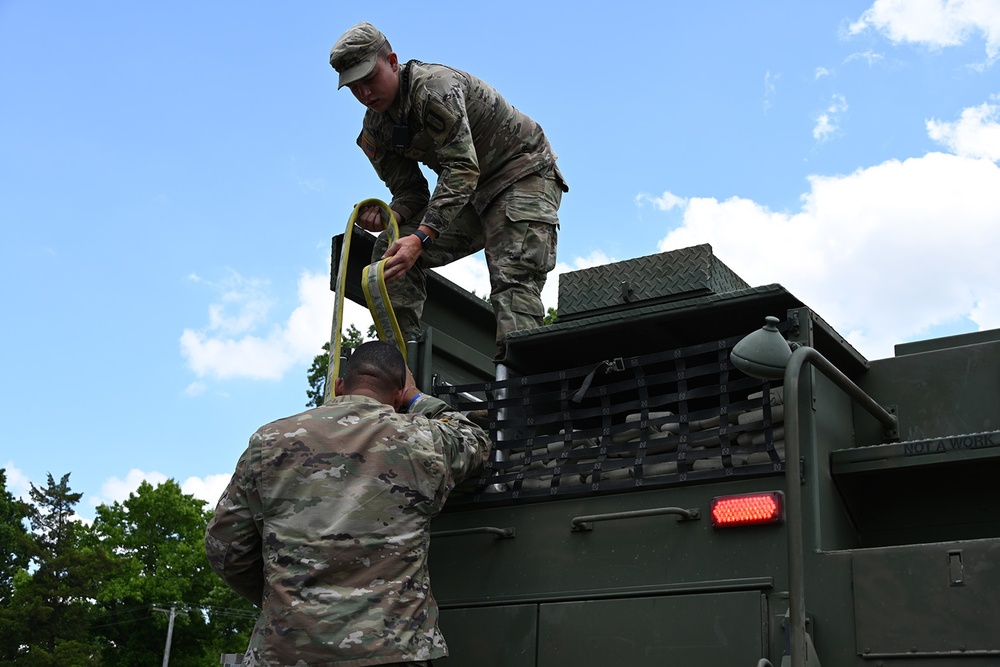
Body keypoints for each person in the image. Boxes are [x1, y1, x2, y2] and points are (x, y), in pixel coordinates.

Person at [205, 341, 492, 666]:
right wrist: (416, 398)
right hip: (390, 654)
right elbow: (475, 440)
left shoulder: (270, 440)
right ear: (397, 395)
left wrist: (285, 601)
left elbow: (224, 548)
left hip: (285, 652)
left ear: (340, 386)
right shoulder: (422, 439)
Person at [329, 22, 568, 362]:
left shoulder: (435, 88)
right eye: (354, 87)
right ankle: (402, 372)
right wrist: (390, 216)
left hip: (521, 174)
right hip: (466, 195)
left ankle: (523, 392)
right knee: (390, 256)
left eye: (369, 79)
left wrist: (422, 237)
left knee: (512, 281)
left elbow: (462, 168)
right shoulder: (376, 129)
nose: (364, 93)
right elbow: (410, 193)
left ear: (393, 61)